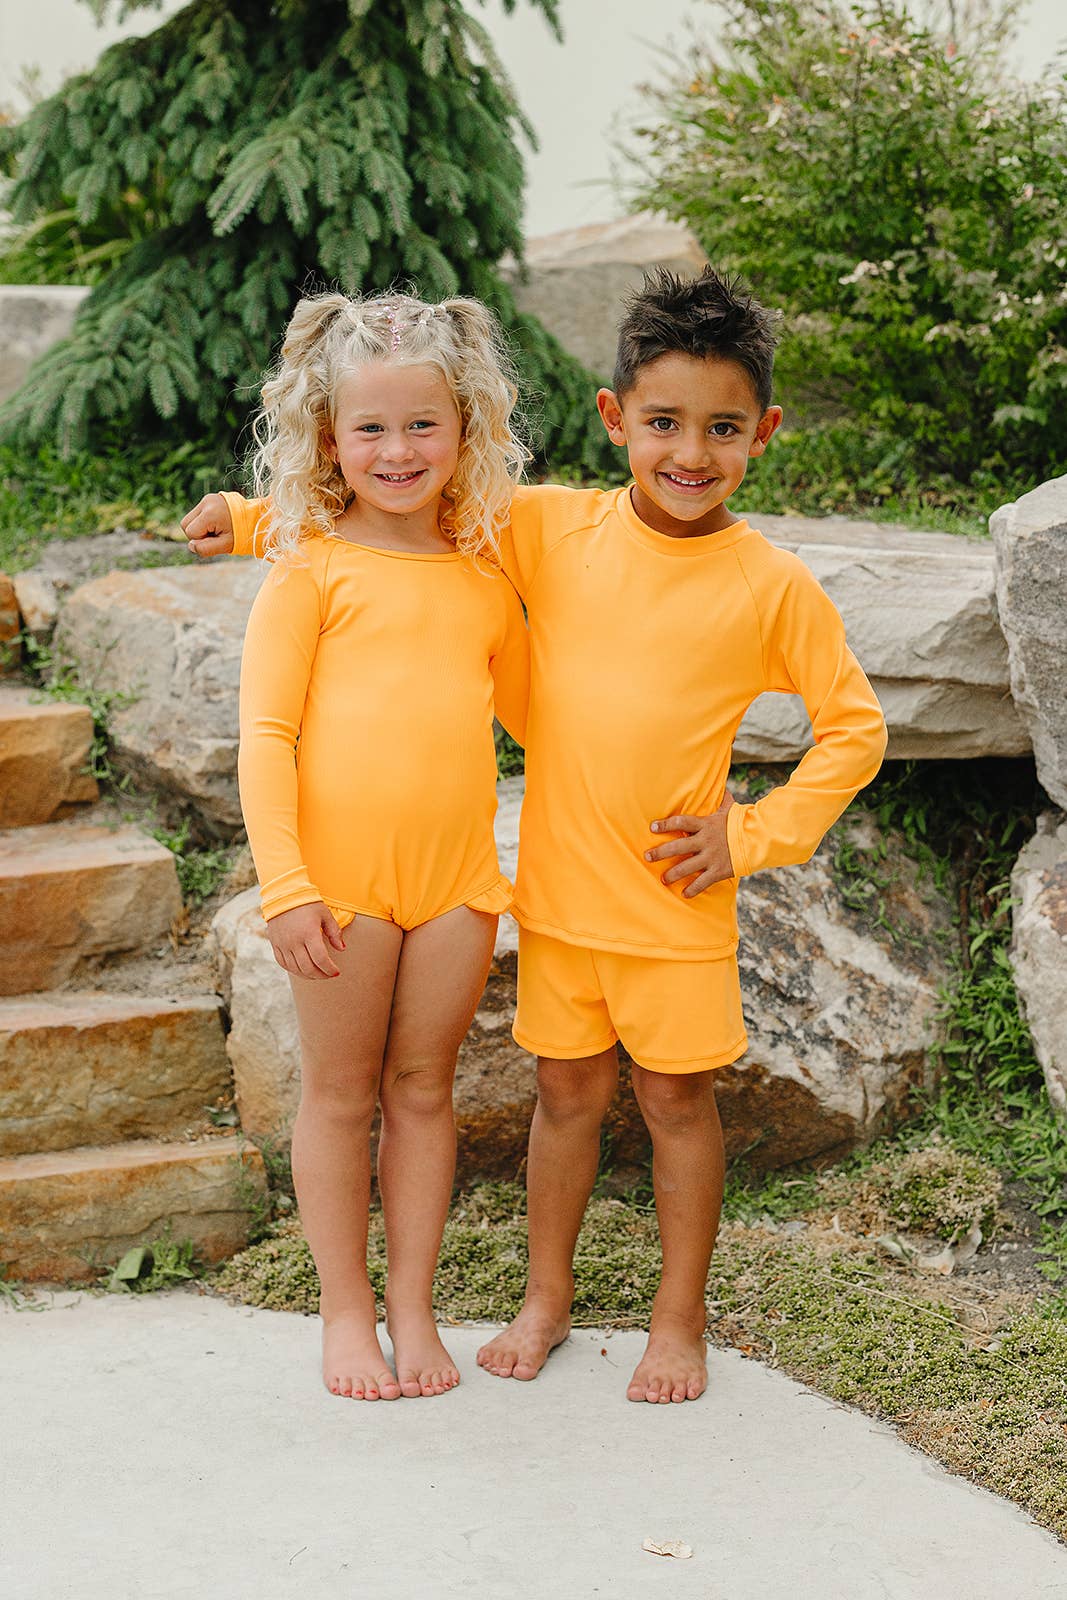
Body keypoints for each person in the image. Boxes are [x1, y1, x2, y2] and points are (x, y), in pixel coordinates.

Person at [186, 267, 887, 1406]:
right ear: (617, 421)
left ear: (760, 433)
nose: (688, 454)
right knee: (554, 1094)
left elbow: (853, 728)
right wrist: (254, 518)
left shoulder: (767, 582)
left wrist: (750, 833)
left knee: (662, 1102)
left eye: (719, 430)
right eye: (661, 423)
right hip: (553, 898)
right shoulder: (544, 529)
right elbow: (378, 511)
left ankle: (675, 1318)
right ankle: (533, 1302)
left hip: (661, 903)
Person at [182, 288, 529, 1402]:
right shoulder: (309, 567)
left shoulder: (485, 567)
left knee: (424, 1091)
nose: (397, 450)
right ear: (326, 439)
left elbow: (537, 712)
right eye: (369, 428)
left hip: (456, 883)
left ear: (465, 427)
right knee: (340, 1093)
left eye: (422, 425)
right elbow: (267, 735)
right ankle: (344, 1312)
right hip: (336, 885)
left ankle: (413, 1308)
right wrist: (284, 888)